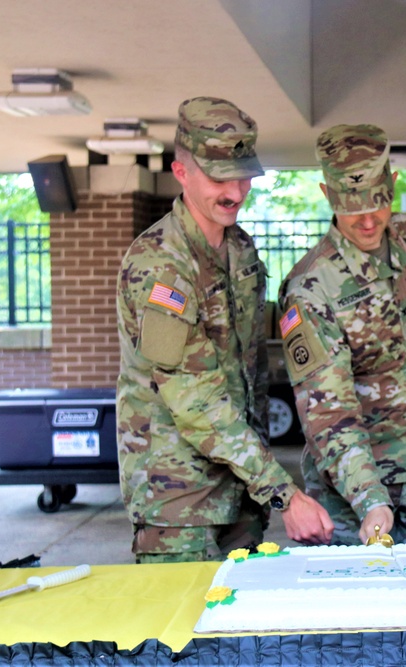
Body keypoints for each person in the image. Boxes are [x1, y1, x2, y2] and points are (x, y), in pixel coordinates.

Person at [116, 96, 333, 563]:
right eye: (219, 179)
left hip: (240, 491)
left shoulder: (241, 250)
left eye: (245, 177)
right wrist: (283, 492)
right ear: (182, 173)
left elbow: (252, 368)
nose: (236, 192)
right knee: (177, 633)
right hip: (178, 501)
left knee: (236, 632)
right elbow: (194, 397)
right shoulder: (160, 264)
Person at [278, 123, 406, 545]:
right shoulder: (310, 287)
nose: (367, 220)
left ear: (393, 185)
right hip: (351, 490)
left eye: (377, 203)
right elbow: (326, 409)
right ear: (327, 196)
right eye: (351, 206)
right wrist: (369, 497)